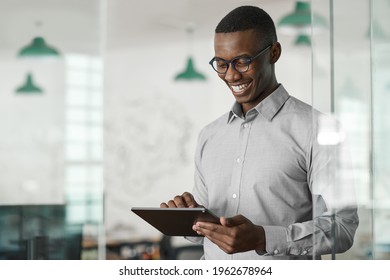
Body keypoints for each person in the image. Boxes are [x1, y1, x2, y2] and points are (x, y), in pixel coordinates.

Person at [160, 5, 359, 260]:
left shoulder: (319, 130)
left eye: (242, 61)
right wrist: (191, 217)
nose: (231, 75)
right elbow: (210, 229)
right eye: (221, 64)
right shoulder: (209, 136)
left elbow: (342, 228)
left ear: (274, 53)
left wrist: (264, 238)